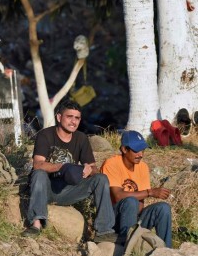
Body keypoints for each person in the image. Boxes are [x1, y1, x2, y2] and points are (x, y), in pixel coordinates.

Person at [23, 100, 117, 242]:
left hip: (68, 191)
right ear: (59, 117)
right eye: (69, 117)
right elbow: (37, 164)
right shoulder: (45, 135)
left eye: (77, 118)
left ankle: (104, 231)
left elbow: (94, 169)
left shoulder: (81, 138)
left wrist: (88, 169)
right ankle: (36, 224)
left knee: (101, 179)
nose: (73, 121)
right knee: (39, 173)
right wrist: (62, 167)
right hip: (45, 189)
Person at [100, 131, 172, 247]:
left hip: (134, 217)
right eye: (136, 150)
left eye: (143, 150)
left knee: (163, 208)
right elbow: (118, 196)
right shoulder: (111, 164)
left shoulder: (143, 167)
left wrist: (137, 222)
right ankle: (128, 246)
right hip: (114, 218)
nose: (141, 154)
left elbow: (140, 204)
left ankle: (167, 251)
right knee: (130, 200)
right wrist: (150, 192)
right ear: (124, 149)